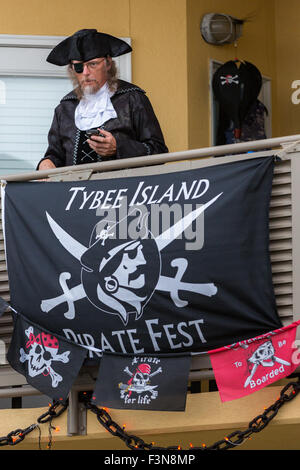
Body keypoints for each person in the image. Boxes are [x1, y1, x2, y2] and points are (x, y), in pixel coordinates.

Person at [37, 29, 168, 170]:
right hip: (75, 191)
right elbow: (55, 155)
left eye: (93, 64)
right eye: (79, 67)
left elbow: (158, 151)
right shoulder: (65, 108)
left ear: (108, 63)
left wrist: (119, 147)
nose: (86, 73)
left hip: (121, 189)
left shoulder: (132, 99)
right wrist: (46, 163)